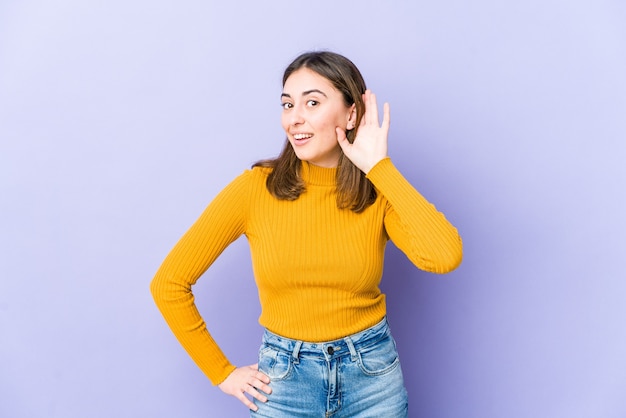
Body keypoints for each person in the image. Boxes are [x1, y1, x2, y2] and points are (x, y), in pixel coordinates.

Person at [151, 51, 463, 417]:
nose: (294, 118)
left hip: (372, 381)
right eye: (287, 104)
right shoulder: (255, 190)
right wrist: (221, 372)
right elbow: (168, 283)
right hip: (284, 384)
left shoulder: (376, 192)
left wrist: (380, 169)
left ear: (351, 114)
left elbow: (445, 256)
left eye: (312, 102)